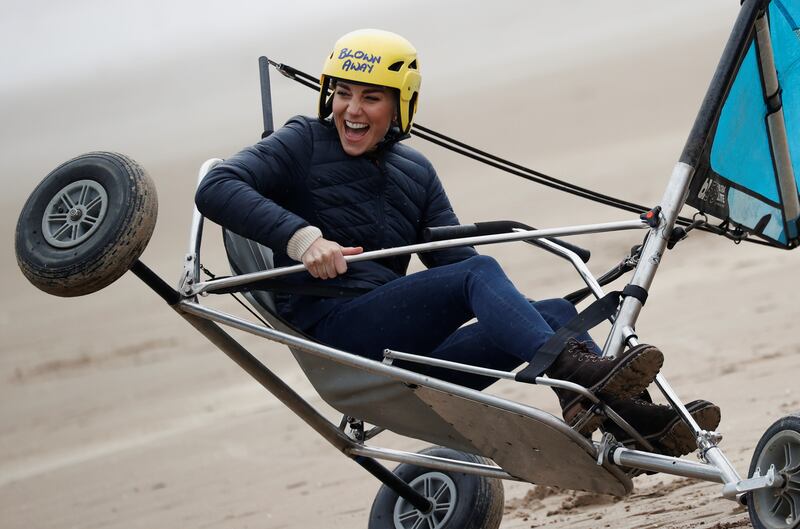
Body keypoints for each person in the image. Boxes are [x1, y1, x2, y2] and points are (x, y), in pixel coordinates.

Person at [196, 29, 719, 456]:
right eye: (343, 92)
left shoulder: (415, 171)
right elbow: (216, 186)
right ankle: (571, 369)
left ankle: (627, 420)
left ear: (402, 103)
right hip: (341, 337)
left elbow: (455, 263)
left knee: (555, 310)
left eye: (371, 97)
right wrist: (303, 240)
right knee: (485, 279)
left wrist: (520, 314)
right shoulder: (302, 140)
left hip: (405, 353)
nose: (351, 110)